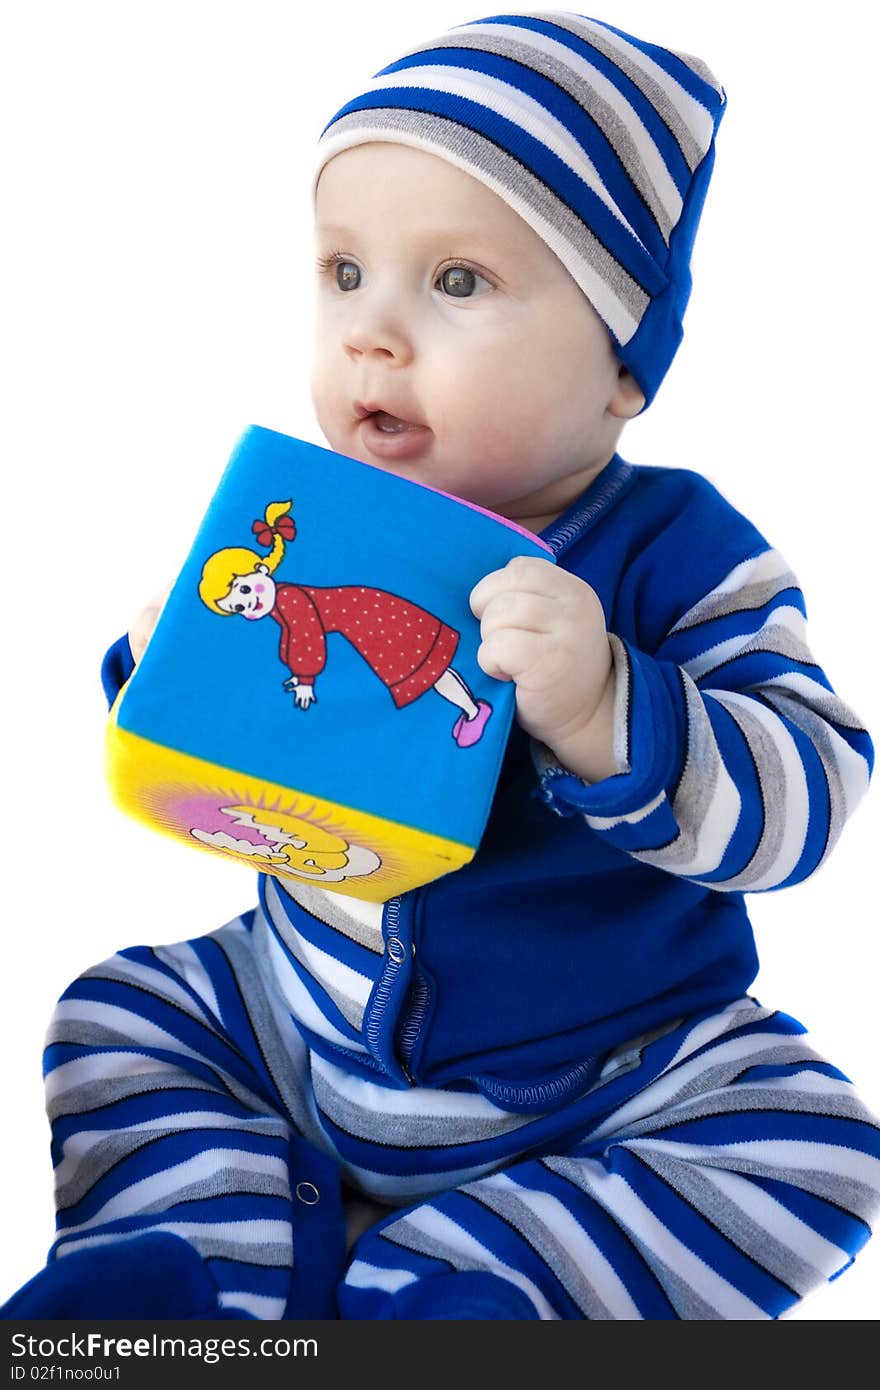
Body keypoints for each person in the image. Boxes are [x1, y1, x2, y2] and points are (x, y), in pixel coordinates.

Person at [4, 10, 879, 1321]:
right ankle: (201, 1286)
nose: (372, 332)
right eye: (344, 273)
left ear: (623, 369)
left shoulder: (675, 551)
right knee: (120, 1012)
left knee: (813, 1145)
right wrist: (162, 663)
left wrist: (605, 703)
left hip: (600, 1074)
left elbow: (812, 788)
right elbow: (233, 748)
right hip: (302, 1026)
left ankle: (472, 1283)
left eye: (456, 283)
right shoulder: (304, 518)